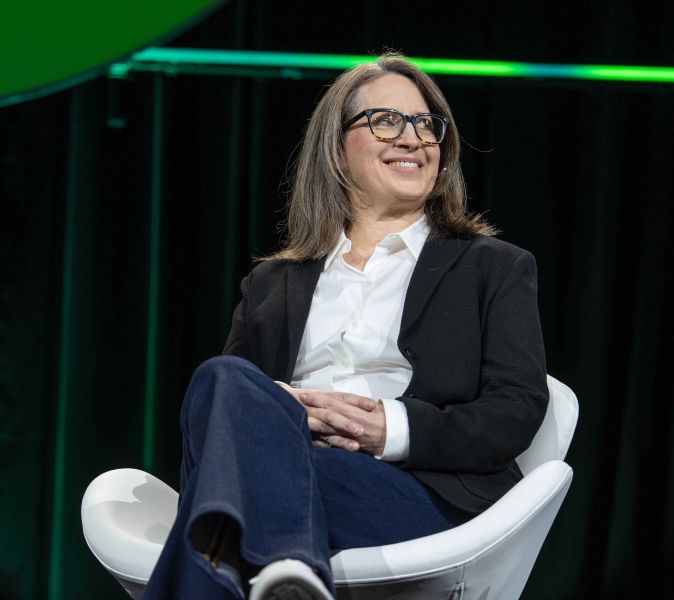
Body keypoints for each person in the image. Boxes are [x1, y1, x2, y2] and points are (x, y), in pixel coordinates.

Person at [143, 53, 548, 600]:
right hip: (293, 464)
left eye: (427, 124)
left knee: (237, 497)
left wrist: (390, 430)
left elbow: (516, 409)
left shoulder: (492, 267)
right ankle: (293, 570)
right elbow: (225, 414)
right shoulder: (272, 283)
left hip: (412, 489)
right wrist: (284, 413)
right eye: (387, 120)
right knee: (221, 379)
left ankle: (279, 562)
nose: (413, 139)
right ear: (336, 148)